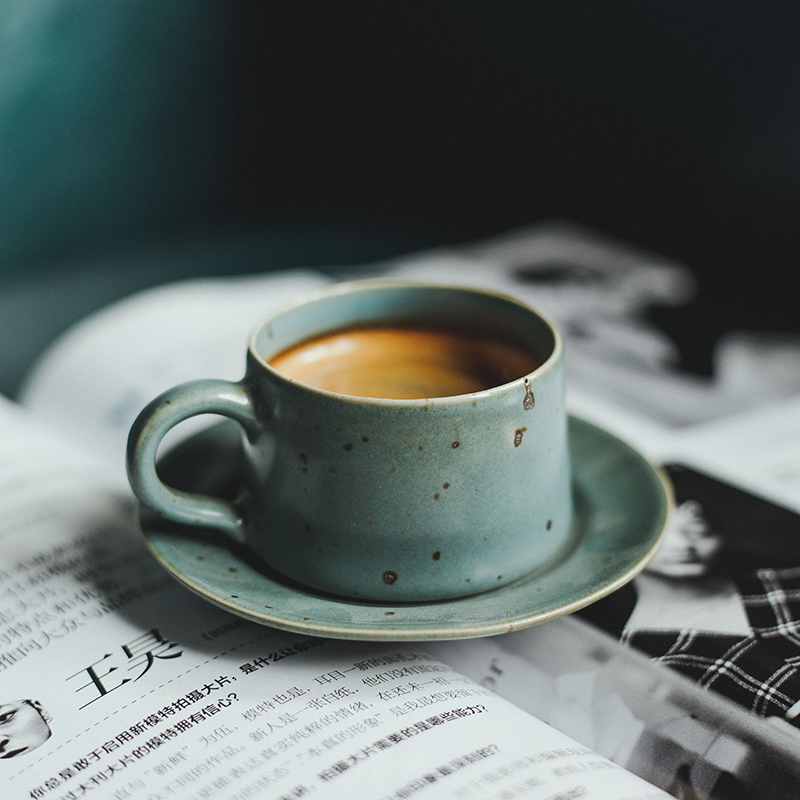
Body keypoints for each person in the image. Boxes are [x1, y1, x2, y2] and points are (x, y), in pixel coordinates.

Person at [578, 464, 800, 726]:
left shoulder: (782, 579)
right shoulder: (648, 658)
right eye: (660, 532)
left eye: (700, 532)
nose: (683, 546)